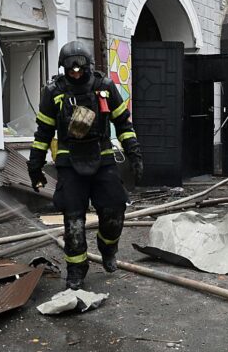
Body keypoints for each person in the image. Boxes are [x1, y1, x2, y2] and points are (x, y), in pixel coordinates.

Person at [27, 40, 143, 290]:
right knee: (74, 223)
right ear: (63, 68)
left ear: (89, 65)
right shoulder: (53, 93)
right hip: (70, 162)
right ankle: (77, 270)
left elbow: (123, 123)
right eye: (71, 69)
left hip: (102, 158)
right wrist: (35, 166)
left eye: (80, 68)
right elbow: (43, 132)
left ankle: (108, 248)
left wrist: (134, 154)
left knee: (114, 213)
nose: (76, 73)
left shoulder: (105, 87)